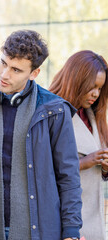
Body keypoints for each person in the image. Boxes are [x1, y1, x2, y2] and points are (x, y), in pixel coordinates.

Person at [0, 30, 82, 240]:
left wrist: (71, 231)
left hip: (39, 231)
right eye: (3, 63)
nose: (4, 74)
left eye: (16, 70)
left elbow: (68, 177)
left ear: (34, 73)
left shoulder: (55, 111)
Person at [49, 50, 108, 240]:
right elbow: (42, 170)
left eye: (100, 88)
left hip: (94, 219)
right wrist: (86, 162)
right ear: (77, 79)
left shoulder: (93, 115)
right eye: (92, 86)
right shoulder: (51, 112)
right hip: (64, 221)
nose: (96, 94)